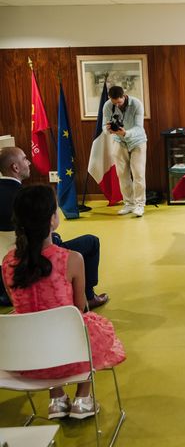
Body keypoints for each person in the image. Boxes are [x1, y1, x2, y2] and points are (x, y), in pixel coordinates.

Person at [2, 185, 125, 420]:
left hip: (24, 356)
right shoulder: (71, 259)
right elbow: (79, 308)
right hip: (68, 353)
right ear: (52, 220)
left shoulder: (7, 262)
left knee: (35, 322)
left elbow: (19, 305)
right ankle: (82, 398)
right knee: (87, 325)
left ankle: (56, 398)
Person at [0, 147, 108, 309]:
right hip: (41, 256)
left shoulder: (7, 262)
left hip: (8, 260)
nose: (28, 162)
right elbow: (79, 312)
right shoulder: (28, 199)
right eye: (25, 159)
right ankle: (89, 297)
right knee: (91, 242)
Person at [103, 85, 147, 217]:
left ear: (124, 96)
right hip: (119, 141)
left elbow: (139, 128)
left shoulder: (136, 104)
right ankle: (129, 203)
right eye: (114, 102)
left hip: (137, 141)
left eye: (119, 102)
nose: (117, 104)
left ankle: (139, 205)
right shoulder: (107, 106)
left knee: (138, 174)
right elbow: (104, 127)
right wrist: (109, 130)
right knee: (122, 174)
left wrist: (126, 133)